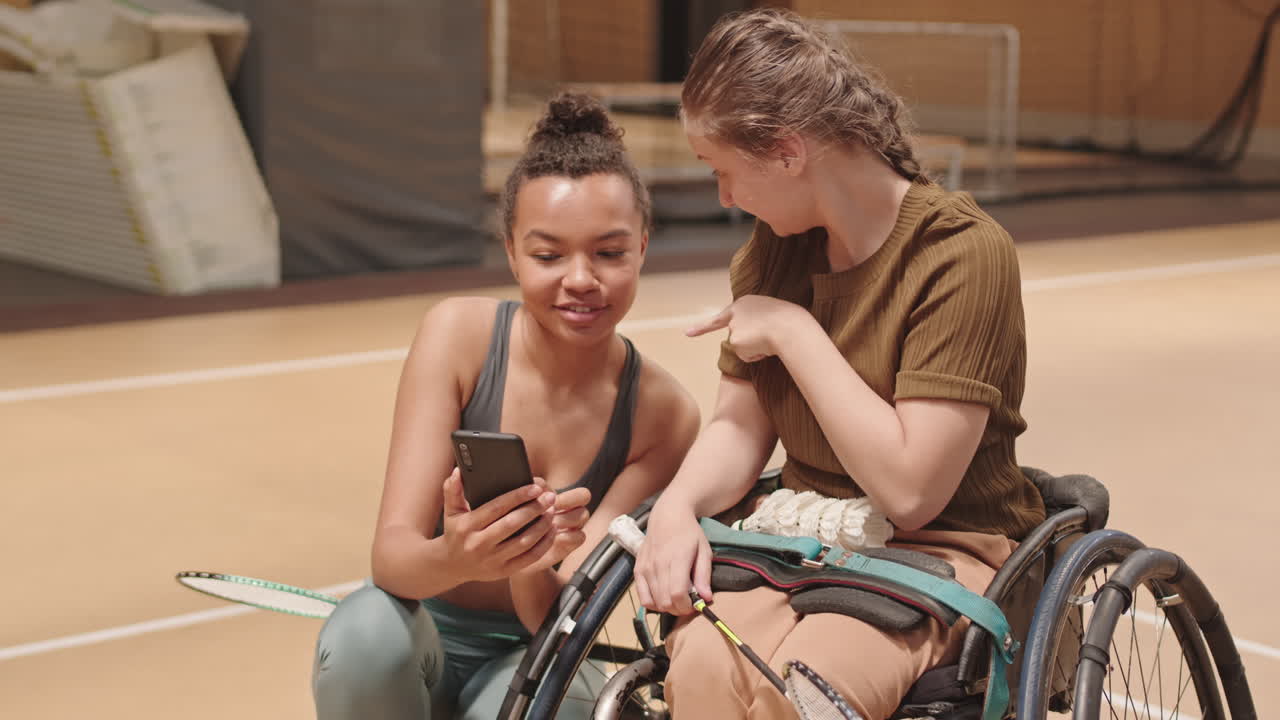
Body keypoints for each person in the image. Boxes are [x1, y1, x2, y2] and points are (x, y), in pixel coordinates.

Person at [632, 9, 1047, 720]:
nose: (725, 197)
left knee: (809, 686)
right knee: (698, 670)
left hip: (939, 544)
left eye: (724, 171)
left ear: (788, 152)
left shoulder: (963, 255)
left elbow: (911, 492)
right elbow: (738, 427)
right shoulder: (772, 250)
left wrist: (795, 332)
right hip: (802, 535)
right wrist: (674, 512)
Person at [312, 92, 701, 720]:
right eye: (548, 255)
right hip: (425, 627)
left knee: (553, 711)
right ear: (512, 251)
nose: (581, 279)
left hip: (539, 649)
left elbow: (562, 618)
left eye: (609, 252)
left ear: (644, 249)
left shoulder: (665, 416)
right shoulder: (458, 337)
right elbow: (393, 562)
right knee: (361, 642)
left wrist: (531, 557)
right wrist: (457, 557)